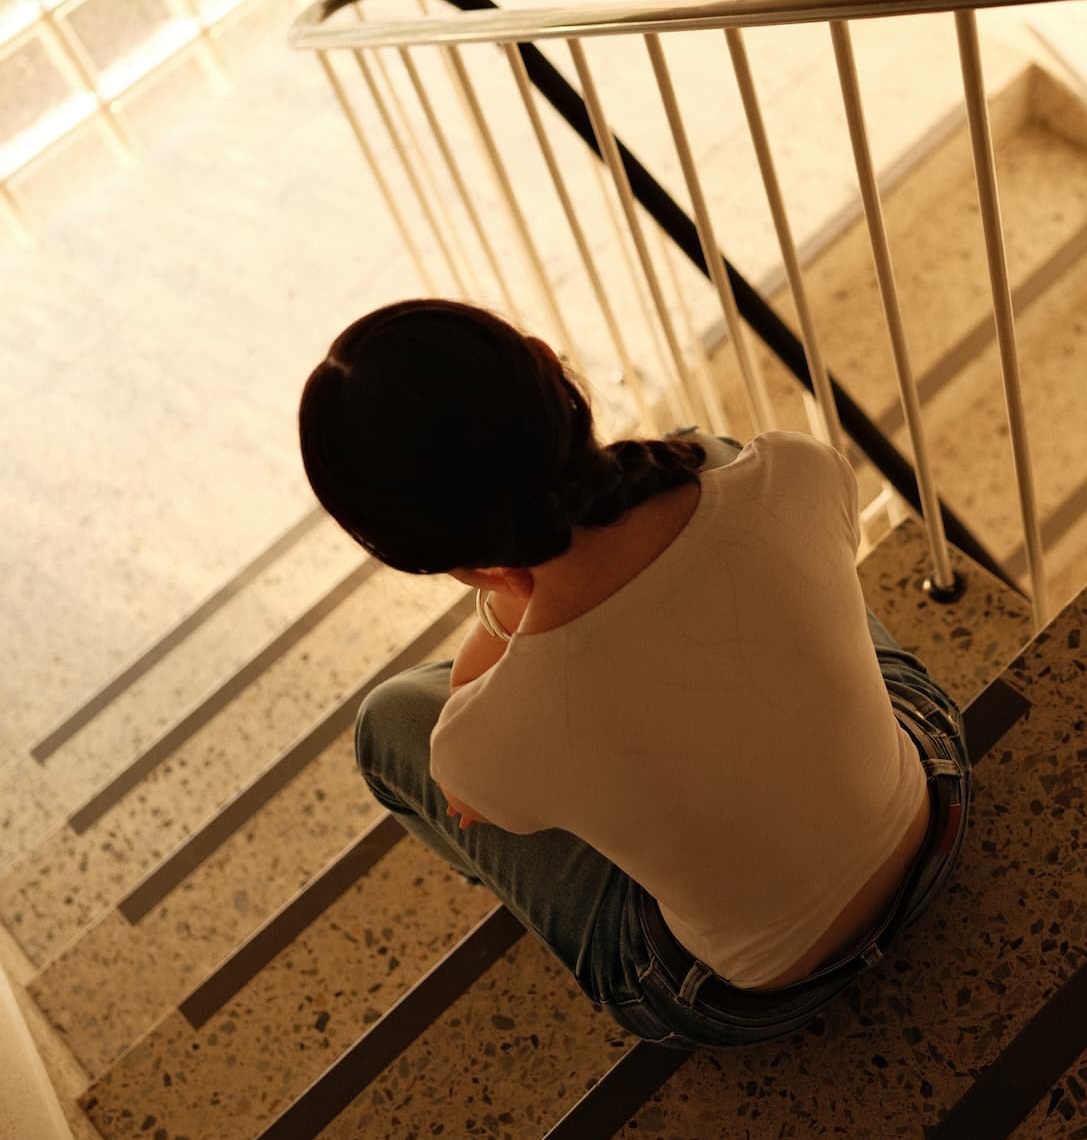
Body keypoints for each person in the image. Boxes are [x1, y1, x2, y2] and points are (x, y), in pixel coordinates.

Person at [298, 298, 970, 1050]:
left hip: (759, 990)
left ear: (433, 559)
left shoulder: (480, 741)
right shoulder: (796, 467)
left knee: (389, 716)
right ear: (547, 362)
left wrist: (511, 603)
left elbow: (464, 786)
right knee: (706, 451)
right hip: (935, 811)